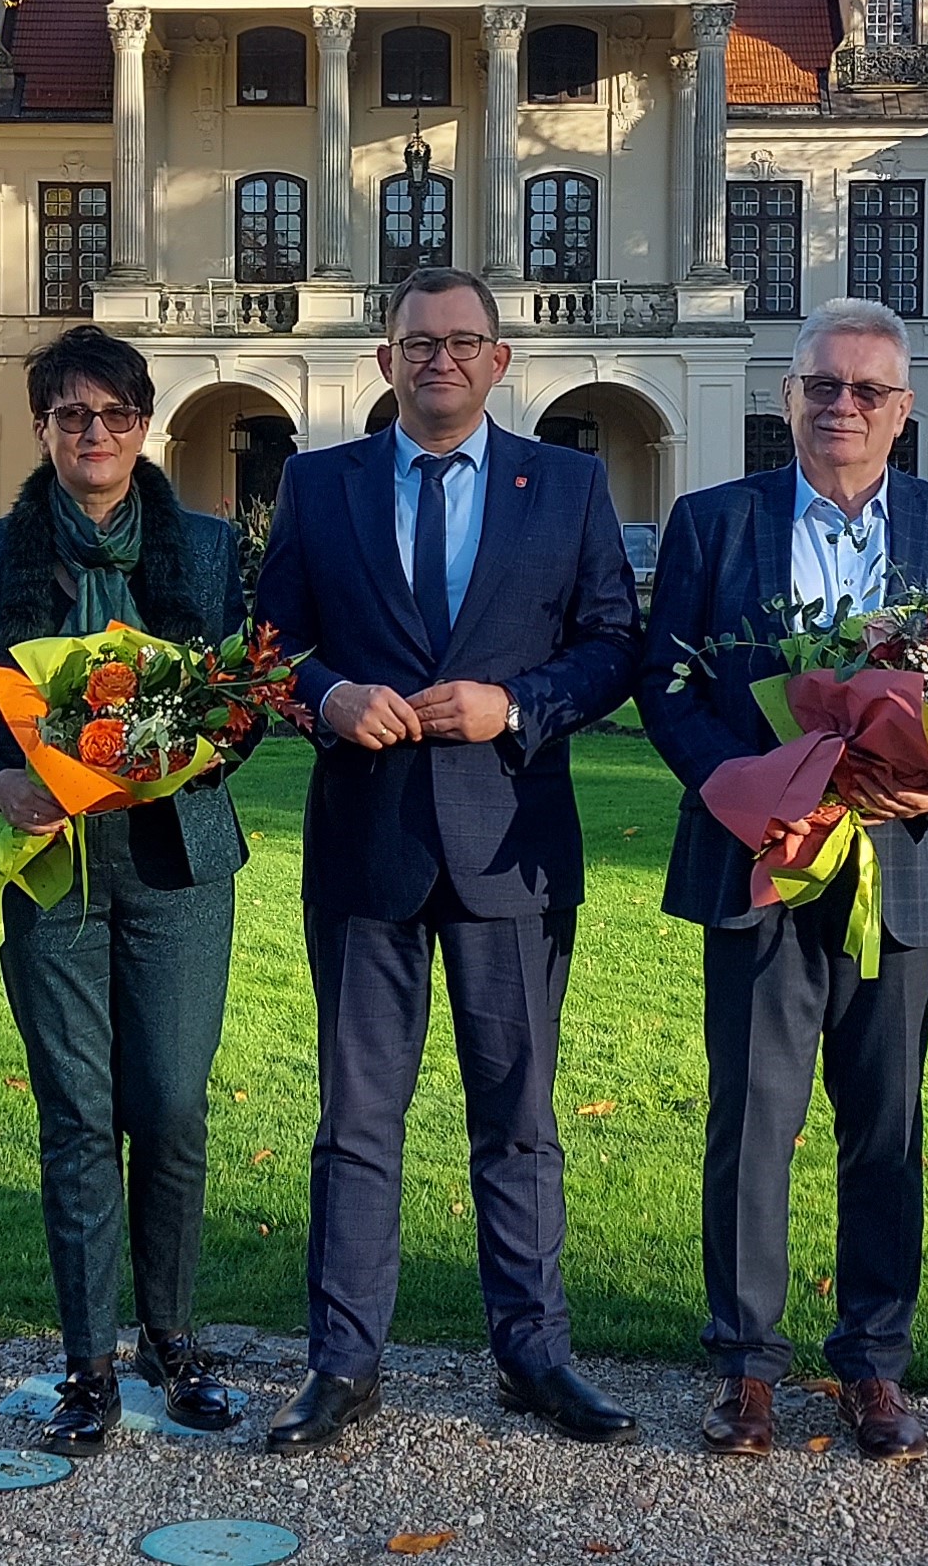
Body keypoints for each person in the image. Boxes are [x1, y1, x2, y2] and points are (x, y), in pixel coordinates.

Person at [248, 266, 645, 1454]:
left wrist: (515, 704)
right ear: (386, 360)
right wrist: (328, 694)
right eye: (419, 342)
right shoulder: (319, 486)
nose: (442, 360)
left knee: (517, 1118)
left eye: (464, 341)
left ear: (498, 361)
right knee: (356, 1117)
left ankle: (533, 1354)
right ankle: (342, 1363)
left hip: (509, 845)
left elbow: (613, 645)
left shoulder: (566, 484)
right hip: (366, 840)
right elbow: (268, 647)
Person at [633, 299, 928, 1463]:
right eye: (818, 385)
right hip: (762, 857)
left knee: (884, 1126)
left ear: (902, 411)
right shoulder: (712, 522)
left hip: (901, 869)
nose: (839, 405)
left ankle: (874, 1363)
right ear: (785, 398)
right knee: (751, 1118)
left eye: (864, 390)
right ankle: (745, 1364)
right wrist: (749, 781)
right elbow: (667, 684)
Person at [0, 325, 250, 1456]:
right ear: (45, 429)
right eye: (71, 415)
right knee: (74, 1117)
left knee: (166, 1103)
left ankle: (172, 1336)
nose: (94, 433)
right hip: (52, 874)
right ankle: (87, 1359)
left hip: (175, 865)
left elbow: (240, 706)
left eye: (113, 413)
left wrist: (189, 745)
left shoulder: (205, 548)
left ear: (144, 422)